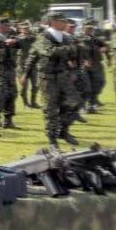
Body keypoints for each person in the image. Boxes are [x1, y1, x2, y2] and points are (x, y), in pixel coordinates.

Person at [32, 12, 82, 149]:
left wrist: (74, 71)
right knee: (51, 109)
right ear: (53, 22)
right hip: (48, 78)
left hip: (63, 76)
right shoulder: (43, 37)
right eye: (62, 21)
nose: (65, 23)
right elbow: (49, 52)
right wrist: (70, 48)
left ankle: (63, 130)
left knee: (75, 102)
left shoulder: (66, 37)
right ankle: (52, 138)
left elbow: (75, 57)